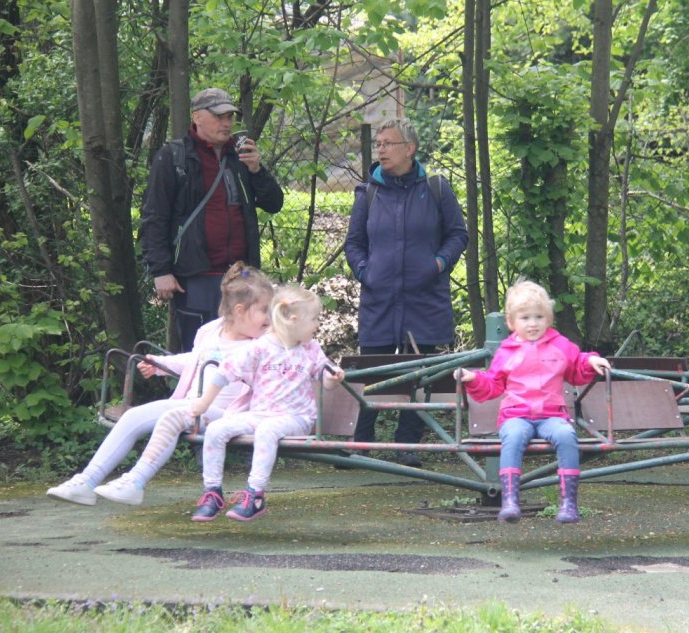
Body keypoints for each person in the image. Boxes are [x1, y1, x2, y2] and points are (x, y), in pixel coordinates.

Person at [46, 262, 274, 506]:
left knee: (173, 416)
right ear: (239, 311)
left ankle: (135, 481)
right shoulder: (211, 332)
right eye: (265, 312)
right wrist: (160, 364)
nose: (270, 320)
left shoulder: (264, 345)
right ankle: (86, 481)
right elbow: (194, 360)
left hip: (228, 414)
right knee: (133, 416)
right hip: (192, 404)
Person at [344, 118, 468, 467]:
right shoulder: (368, 193)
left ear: (409, 148)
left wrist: (437, 265)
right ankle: (360, 445)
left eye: (388, 143)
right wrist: (366, 272)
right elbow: (353, 244)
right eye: (379, 143)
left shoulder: (436, 188)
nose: (380, 149)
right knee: (371, 370)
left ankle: (408, 445)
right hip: (379, 299)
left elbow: (458, 235)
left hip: (424, 298)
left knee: (420, 372)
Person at [141, 87, 284, 352]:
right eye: (219, 116)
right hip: (195, 276)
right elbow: (154, 217)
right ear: (197, 117)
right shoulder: (173, 157)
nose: (226, 123)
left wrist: (257, 170)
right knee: (200, 354)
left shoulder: (240, 157)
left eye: (229, 117)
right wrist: (161, 270)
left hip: (241, 276)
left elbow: (274, 204)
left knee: (244, 353)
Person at [456, 280, 610, 524]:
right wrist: (473, 378)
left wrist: (591, 360)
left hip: (552, 415)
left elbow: (577, 367)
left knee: (566, 435)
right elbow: (492, 384)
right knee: (514, 436)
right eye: (525, 318)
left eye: (539, 317)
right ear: (511, 322)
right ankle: (510, 501)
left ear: (548, 319)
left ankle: (569, 503)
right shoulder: (506, 352)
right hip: (516, 415)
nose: (532, 323)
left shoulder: (561, 346)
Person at [189, 284, 345, 522]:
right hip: (260, 414)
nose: (317, 325)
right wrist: (203, 402)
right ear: (293, 320)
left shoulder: (311, 350)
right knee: (216, 430)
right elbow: (225, 371)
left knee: (267, 430)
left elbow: (325, 379)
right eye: (314, 319)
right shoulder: (261, 347)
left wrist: (333, 380)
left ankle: (255, 495)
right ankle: (212, 493)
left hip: (297, 418)